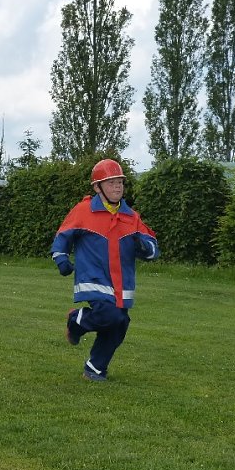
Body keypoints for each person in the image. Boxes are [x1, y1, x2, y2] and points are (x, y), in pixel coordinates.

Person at [51, 159, 159, 382]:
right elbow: (62, 237)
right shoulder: (83, 211)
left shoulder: (132, 217)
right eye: (111, 183)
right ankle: (76, 320)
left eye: (120, 182)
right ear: (97, 187)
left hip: (122, 284)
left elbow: (152, 249)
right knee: (109, 315)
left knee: (120, 323)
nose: (117, 187)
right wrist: (61, 258)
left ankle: (95, 367)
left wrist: (144, 247)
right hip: (93, 279)